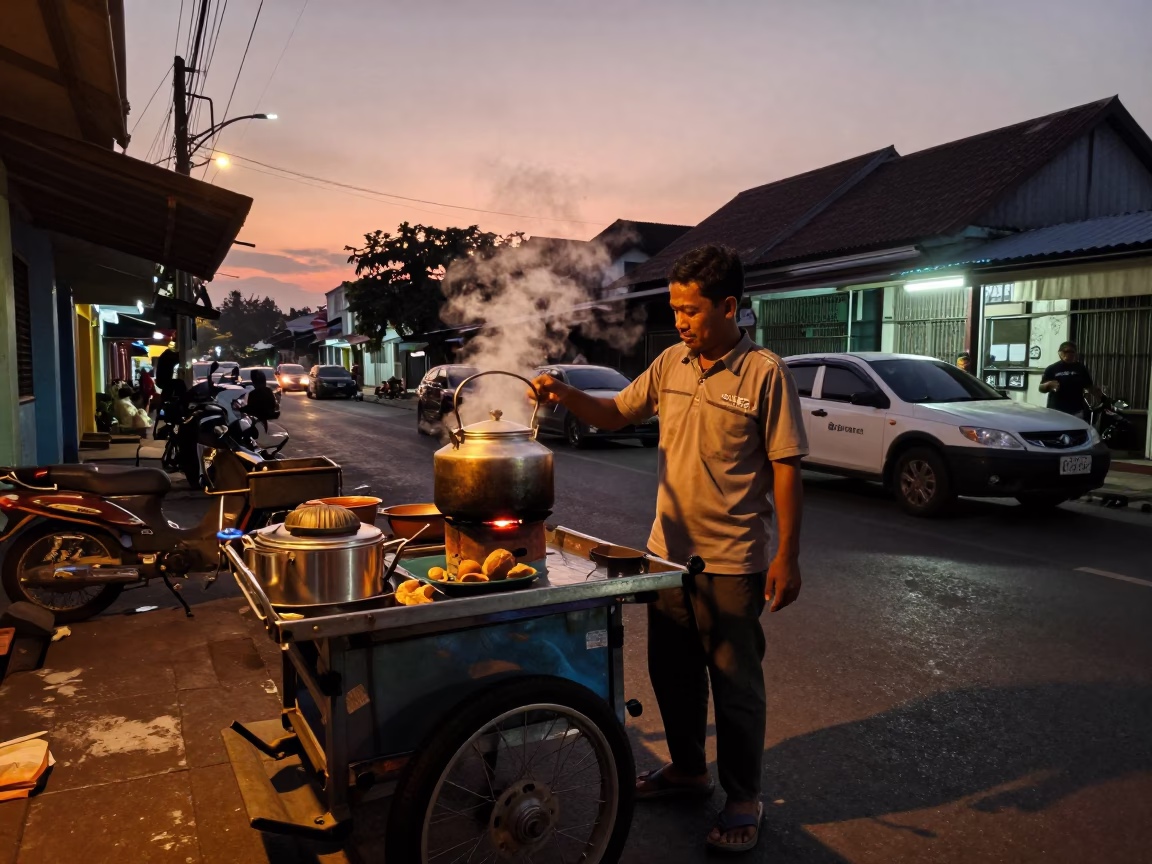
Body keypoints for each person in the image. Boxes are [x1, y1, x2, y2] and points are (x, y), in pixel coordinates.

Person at [533, 244, 808, 853]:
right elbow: (614, 414)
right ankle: (688, 770)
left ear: (729, 306)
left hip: (734, 559)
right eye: (676, 309)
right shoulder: (670, 363)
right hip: (666, 557)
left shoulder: (765, 372)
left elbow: (786, 466)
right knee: (672, 674)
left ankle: (743, 797)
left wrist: (787, 555)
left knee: (736, 686)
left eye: (691, 310)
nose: (680, 321)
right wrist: (564, 395)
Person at [1040, 341, 1098, 418]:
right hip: (1056, 411)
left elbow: (1090, 386)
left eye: (1072, 352)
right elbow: (1041, 388)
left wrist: (1103, 398)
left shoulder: (1080, 368)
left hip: (1076, 411)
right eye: (1066, 351)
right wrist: (1048, 385)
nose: (1069, 354)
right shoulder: (1052, 369)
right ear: (1060, 353)